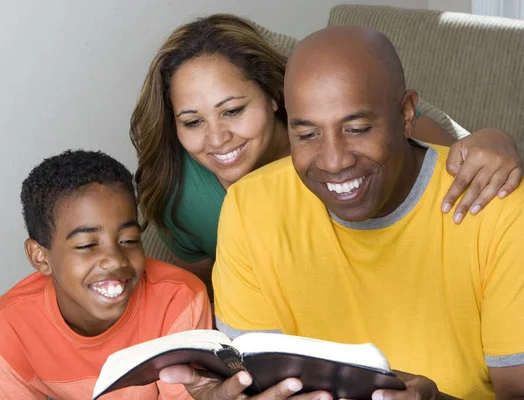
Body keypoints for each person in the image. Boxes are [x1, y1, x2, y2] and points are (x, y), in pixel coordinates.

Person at [159, 27, 524, 399]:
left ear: (406, 114)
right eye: (308, 134)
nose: (334, 161)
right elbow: (257, 381)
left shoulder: (494, 203)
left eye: (357, 128)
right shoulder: (245, 207)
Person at [130, 14, 522, 299]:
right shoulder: (175, 193)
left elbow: (452, 161)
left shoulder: (370, 130)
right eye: (192, 121)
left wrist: (495, 141)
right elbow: (207, 297)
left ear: (272, 96)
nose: (217, 138)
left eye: (232, 111)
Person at [0, 150, 211, 399]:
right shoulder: (10, 326)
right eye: (86, 245)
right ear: (40, 256)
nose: (114, 259)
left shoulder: (178, 299)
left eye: (129, 240)